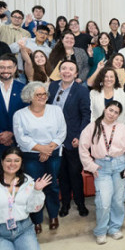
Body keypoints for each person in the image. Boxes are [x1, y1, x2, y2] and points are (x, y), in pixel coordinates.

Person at [78, 100, 125, 244]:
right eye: (111, 110)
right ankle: (101, 231)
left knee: (118, 200)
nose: (112, 114)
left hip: (119, 165)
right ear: (105, 109)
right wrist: (91, 166)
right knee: (103, 202)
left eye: (116, 112)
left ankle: (115, 228)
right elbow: (82, 147)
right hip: (101, 168)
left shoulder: (122, 128)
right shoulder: (92, 127)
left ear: (118, 115)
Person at [13, 82, 66, 232]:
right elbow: (21, 138)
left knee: (52, 186)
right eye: (38, 94)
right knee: (33, 187)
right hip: (31, 155)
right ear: (29, 96)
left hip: (53, 153)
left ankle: (53, 215)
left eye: (44, 94)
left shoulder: (56, 110)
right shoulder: (20, 115)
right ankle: (36, 220)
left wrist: (47, 150)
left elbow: (62, 132)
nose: (43, 97)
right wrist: (41, 149)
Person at [48, 60, 91, 218]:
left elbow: (86, 115)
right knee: (61, 174)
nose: (67, 71)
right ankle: (65, 203)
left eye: (71, 69)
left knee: (74, 173)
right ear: (59, 71)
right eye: (64, 68)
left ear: (76, 73)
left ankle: (80, 203)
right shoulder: (52, 87)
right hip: (54, 139)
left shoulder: (81, 90)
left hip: (72, 139)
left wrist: (80, 136)